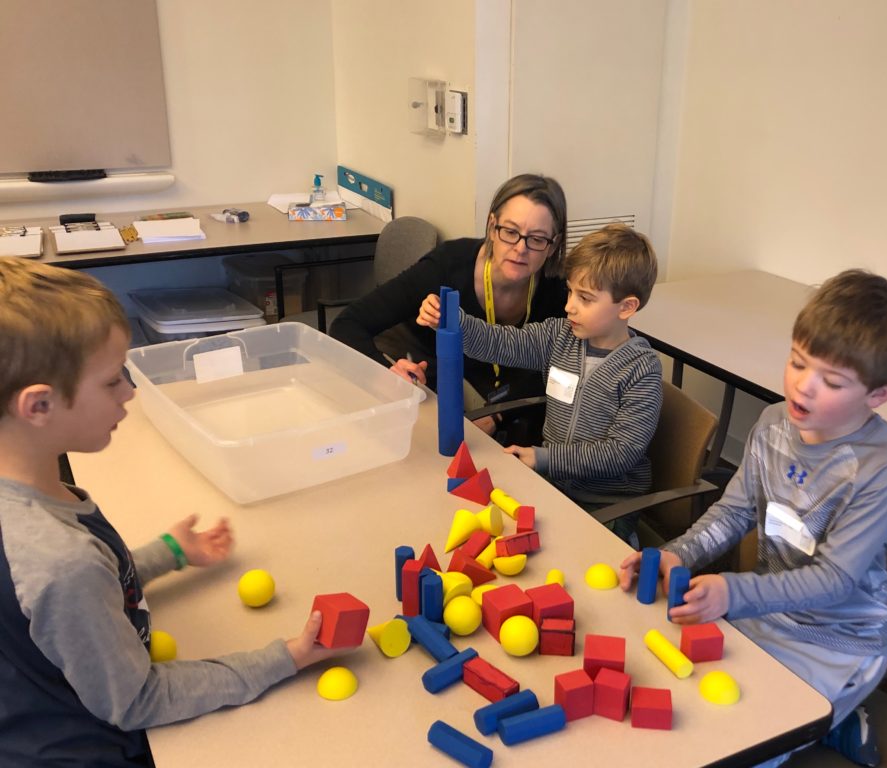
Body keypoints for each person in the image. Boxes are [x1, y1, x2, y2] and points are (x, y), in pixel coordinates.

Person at [0, 258, 349, 767]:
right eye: (111, 382)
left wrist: (168, 552)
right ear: (39, 406)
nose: (130, 391)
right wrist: (287, 656)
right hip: (88, 748)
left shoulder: (30, 497)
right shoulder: (62, 563)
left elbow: (82, 593)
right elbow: (137, 700)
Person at [618, 269, 887, 767]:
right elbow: (735, 511)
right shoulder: (772, 424)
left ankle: (840, 714)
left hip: (839, 642)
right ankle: (831, 719)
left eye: (832, 381)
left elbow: (834, 580)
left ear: (879, 395)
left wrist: (733, 593)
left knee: (742, 748)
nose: (803, 387)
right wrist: (679, 554)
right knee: (688, 702)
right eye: (797, 362)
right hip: (766, 614)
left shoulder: (883, 470)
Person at [418, 223, 662, 547]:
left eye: (585, 298)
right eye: (571, 292)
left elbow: (620, 453)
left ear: (627, 307)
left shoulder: (640, 371)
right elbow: (501, 343)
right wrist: (456, 321)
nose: (569, 305)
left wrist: (544, 458)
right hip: (553, 485)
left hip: (605, 503)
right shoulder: (560, 336)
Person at [329, 173, 568, 443]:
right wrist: (384, 374)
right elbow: (347, 324)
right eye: (510, 232)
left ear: (554, 244)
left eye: (537, 239)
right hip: (430, 385)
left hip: (501, 401)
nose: (520, 249)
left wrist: (497, 415)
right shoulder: (448, 265)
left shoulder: (560, 290)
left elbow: (562, 368)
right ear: (492, 227)